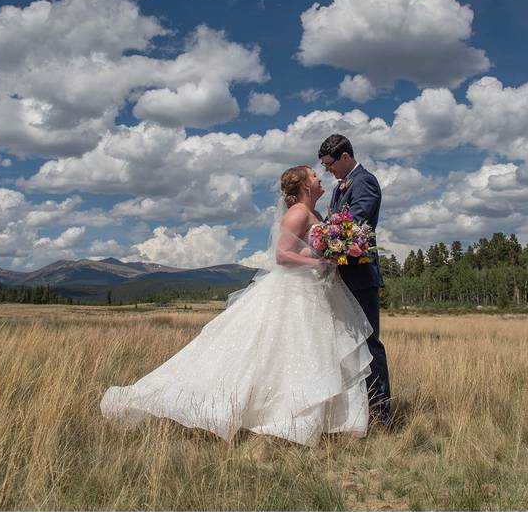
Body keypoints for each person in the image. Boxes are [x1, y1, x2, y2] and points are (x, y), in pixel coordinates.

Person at [100, 166, 374, 446]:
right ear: (304, 185)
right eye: (314, 175)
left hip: (316, 291)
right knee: (285, 351)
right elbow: (282, 255)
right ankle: (277, 416)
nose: (319, 178)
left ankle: (314, 419)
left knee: (308, 353)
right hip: (295, 292)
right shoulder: (298, 213)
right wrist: (318, 262)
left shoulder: (316, 215)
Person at [318, 134, 391, 426]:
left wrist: (326, 240)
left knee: (368, 342)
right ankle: (356, 412)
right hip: (342, 276)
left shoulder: (365, 182)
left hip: (360, 276)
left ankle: (381, 413)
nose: (328, 171)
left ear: (345, 156)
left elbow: (355, 224)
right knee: (347, 344)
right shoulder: (340, 187)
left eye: (329, 164)